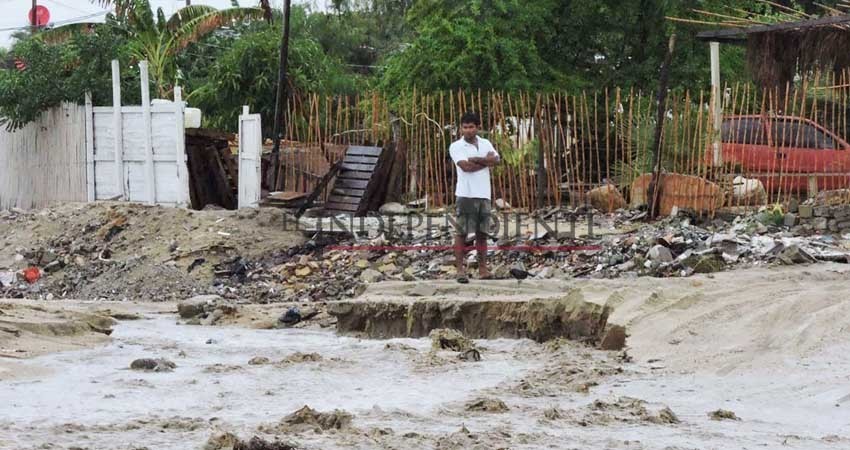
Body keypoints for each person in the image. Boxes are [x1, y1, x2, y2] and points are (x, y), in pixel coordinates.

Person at [449, 111, 500, 283]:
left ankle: (483, 269)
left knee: (482, 233)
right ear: (461, 129)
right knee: (462, 232)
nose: (468, 130)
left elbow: (497, 160)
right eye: (465, 127)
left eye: (471, 127)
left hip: (484, 193)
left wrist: (477, 159)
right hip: (466, 194)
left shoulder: (485, 143)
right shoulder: (456, 146)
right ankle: (460, 271)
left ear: (477, 127)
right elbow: (466, 167)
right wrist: (486, 162)